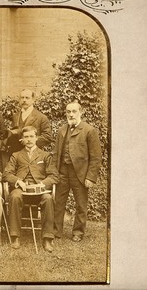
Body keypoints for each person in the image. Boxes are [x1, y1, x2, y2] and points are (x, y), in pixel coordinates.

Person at [3, 126, 59, 252]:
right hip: (21, 189)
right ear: (22, 139)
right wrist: (18, 181)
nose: (29, 139)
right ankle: (15, 236)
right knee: (15, 196)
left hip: (39, 190)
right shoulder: (16, 155)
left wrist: (42, 184)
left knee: (48, 198)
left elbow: (54, 176)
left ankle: (47, 239)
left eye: (31, 136)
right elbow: (6, 174)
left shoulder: (45, 156)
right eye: (26, 137)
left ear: (36, 138)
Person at [53, 101, 102, 242]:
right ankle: (56, 231)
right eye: (68, 111)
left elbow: (96, 157)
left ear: (81, 112)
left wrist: (91, 177)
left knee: (81, 204)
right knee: (58, 202)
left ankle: (78, 232)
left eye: (74, 111)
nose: (71, 114)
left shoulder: (89, 130)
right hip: (62, 171)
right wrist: (54, 172)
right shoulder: (62, 130)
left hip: (79, 173)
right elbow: (56, 153)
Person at [6, 89, 53, 157]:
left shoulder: (41, 117)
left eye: (27, 98)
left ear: (33, 100)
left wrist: (30, 141)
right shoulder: (15, 116)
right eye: (22, 97)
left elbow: (48, 137)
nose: (24, 100)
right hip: (16, 154)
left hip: (33, 155)